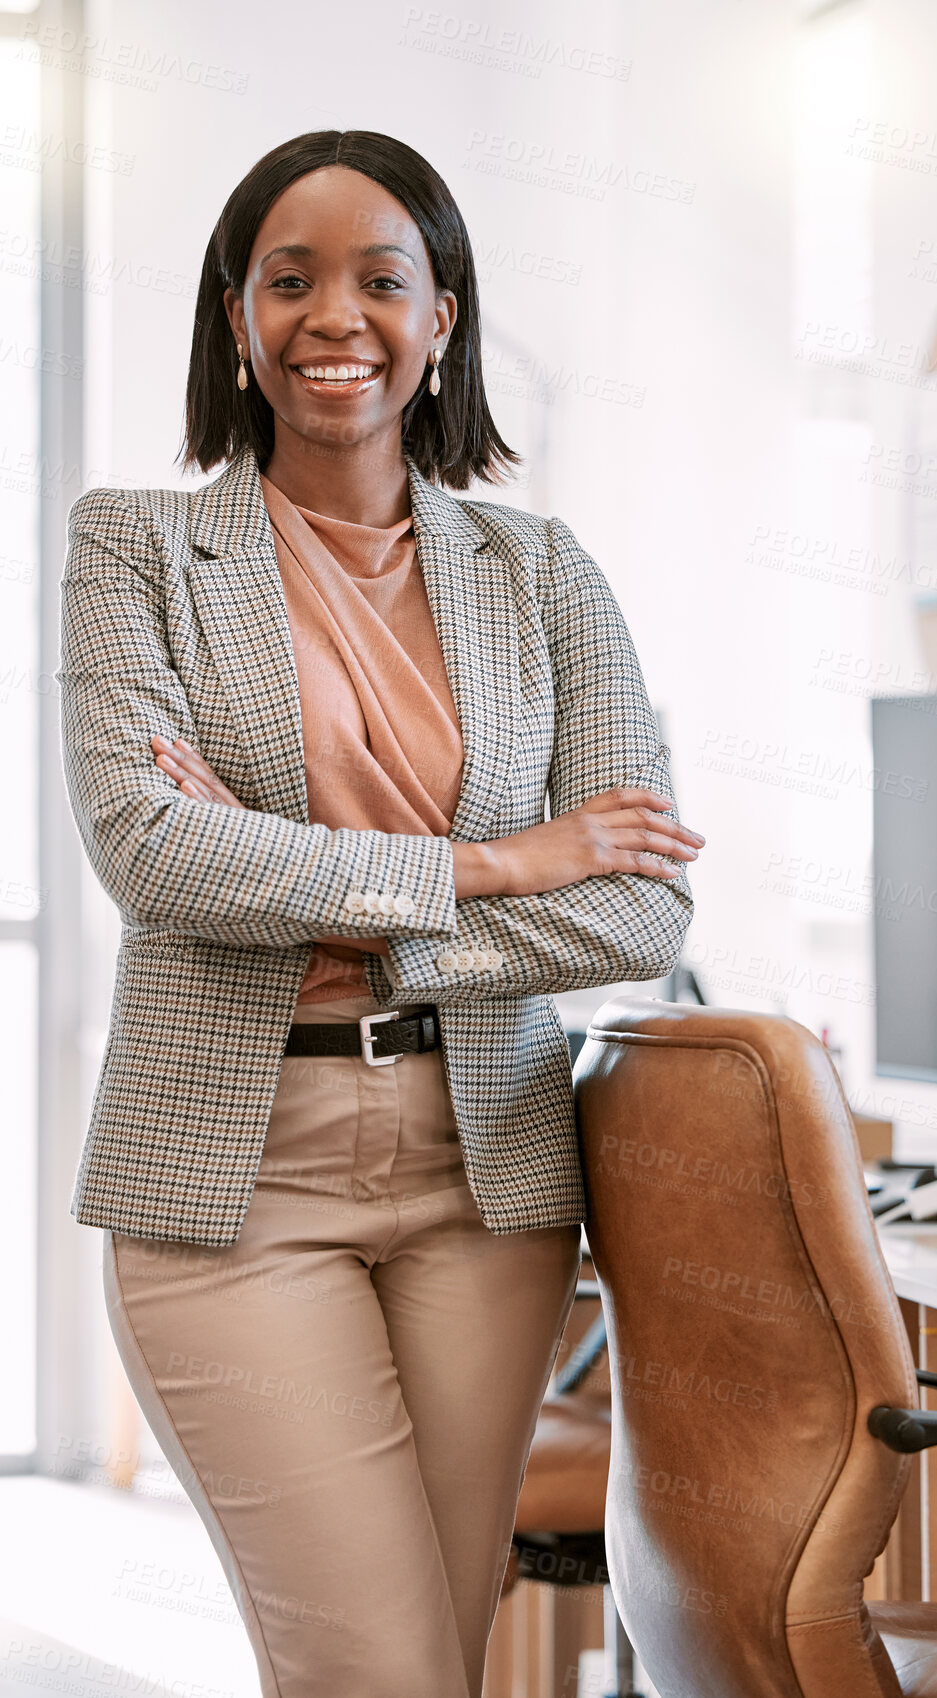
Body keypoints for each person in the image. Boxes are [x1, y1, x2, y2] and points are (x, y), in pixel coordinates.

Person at [55, 130, 703, 1698]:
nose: (332, 314)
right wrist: (492, 861)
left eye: (379, 279)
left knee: (439, 1657)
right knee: (375, 1670)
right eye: (290, 279)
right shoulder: (134, 547)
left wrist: (312, 886)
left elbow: (640, 906)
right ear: (236, 320)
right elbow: (152, 854)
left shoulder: (543, 573)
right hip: (233, 1173)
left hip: (487, 1178)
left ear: (441, 319)